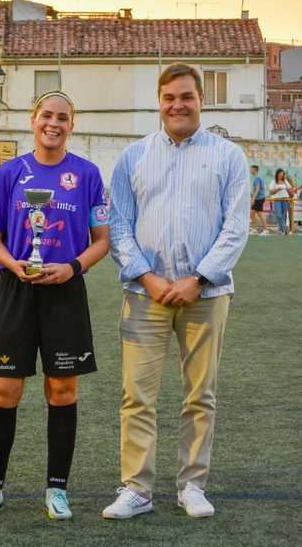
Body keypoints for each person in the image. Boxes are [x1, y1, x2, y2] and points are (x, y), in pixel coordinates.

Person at [103, 63, 250, 520]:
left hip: (205, 297)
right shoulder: (133, 157)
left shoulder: (229, 157)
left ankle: (192, 485)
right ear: (159, 101)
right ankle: (137, 489)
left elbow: (236, 227)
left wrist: (198, 279)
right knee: (137, 395)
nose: (177, 105)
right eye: (169, 97)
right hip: (145, 294)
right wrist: (148, 276)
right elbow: (119, 224)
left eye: (186, 96)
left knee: (200, 395)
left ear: (201, 100)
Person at [0, 91, 109, 520]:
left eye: (63, 117)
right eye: (47, 115)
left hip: (65, 290)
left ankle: (57, 489)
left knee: (62, 389)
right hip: (17, 289)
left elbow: (102, 241)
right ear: (32, 120)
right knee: (3, 389)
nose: (54, 123)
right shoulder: (12, 172)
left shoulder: (87, 174)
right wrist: (12, 265)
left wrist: (73, 267)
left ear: (72, 124)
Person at [269, 168, 293, 234]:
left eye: (282, 174)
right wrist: (278, 189)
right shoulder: (273, 181)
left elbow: (290, 189)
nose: (281, 175)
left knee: (284, 215)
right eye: (280, 174)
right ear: (277, 174)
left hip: (285, 199)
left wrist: (290, 190)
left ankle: (281, 230)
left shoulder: (285, 181)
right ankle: (285, 228)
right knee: (279, 215)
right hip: (277, 200)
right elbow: (271, 192)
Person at [249, 164, 269, 235]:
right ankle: (254, 229)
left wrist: (253, 199)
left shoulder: (257, 178)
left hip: (259, 198)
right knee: (252, 213)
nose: (250, 170)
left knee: (260, 213)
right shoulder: (256, 178)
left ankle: (265, 229)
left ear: (255, 170)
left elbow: (257, 189)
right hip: (258, 198)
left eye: (251, 169)